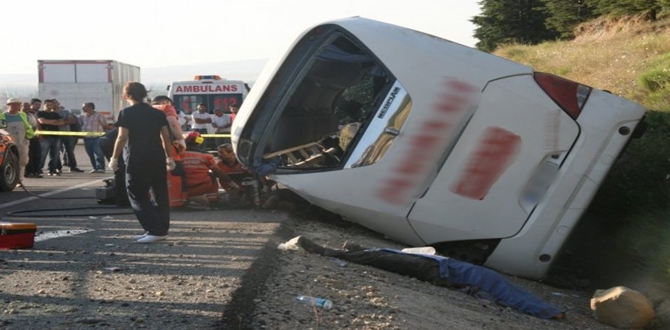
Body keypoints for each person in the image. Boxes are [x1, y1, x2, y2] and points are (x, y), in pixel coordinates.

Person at [110, 82, 175, 244]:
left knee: (136, 193)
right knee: (159, 193)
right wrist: (169, 157)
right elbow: (166, 137)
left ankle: (155, 229)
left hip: (137, 157)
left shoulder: (126, 113)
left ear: (126, 95)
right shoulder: (157, 113)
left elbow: (122, 137)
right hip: (157, 156)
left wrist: (114, 157)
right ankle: (161, 229)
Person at [181, 132, 240, 206]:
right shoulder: (206, 156)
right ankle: (213, 200)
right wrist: (233, 185)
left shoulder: (177, 155)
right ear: (199, 142)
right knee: (212, 176)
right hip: (200, 187)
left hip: (181, 188)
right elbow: (218, 172)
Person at [0, 98, 34, 184]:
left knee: (23, 161)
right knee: (9, 161)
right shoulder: (3, 116)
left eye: (17, 104)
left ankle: (20, 179)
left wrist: (28, 137)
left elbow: (28, 127)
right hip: (8, 144)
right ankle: (10, 179)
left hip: (22, 142)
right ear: (8, 105)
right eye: (13, 104)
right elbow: (1, 129)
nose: (15, 106)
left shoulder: (22, 115)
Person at [79, 102, 111, 173]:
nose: (82, 108)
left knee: (98, 152)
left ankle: (100, 168)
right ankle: (95, 167)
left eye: (84, 107)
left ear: (90, 107)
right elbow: (80, 125)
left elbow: (105, 125)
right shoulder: (82, 116)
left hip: (97, 137)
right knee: (90, 153)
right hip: (87, 138)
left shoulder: (99, 116)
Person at [37, 99, 65, 176]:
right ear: (44, 105)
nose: (49, 107)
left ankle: (52, 170)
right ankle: (38, 169)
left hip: (56, 137)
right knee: (43, 154)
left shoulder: (55, 114)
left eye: (51, 105)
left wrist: (49, 121)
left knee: (55, 154)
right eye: (48, 105)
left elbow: (61, 122)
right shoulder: (40, 113)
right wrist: (55, 121)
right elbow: (42, 121)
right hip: (45, 137)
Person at [54, 100, 83, 173]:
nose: (54, 104)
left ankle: (73, 166)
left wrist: (61, 122)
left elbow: (72, 121)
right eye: (52, 103)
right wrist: (64, 121)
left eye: (55, 102)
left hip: (67, 134)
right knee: (56, 152)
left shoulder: (65, 112)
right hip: (56, 135)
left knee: (70, 151)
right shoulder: (51, 113)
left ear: (58, 103)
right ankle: (58, 167)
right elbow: (52, 123)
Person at [24, 98, 42, 178]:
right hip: (24, 139)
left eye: (27, 107)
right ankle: (28, 172)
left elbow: (35, 126)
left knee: (37, 155)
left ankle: (35, 171)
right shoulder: (19, 116)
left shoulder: (32, 115)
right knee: (29, 156)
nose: (26, 108)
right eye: (25, 107)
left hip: (34, 138)